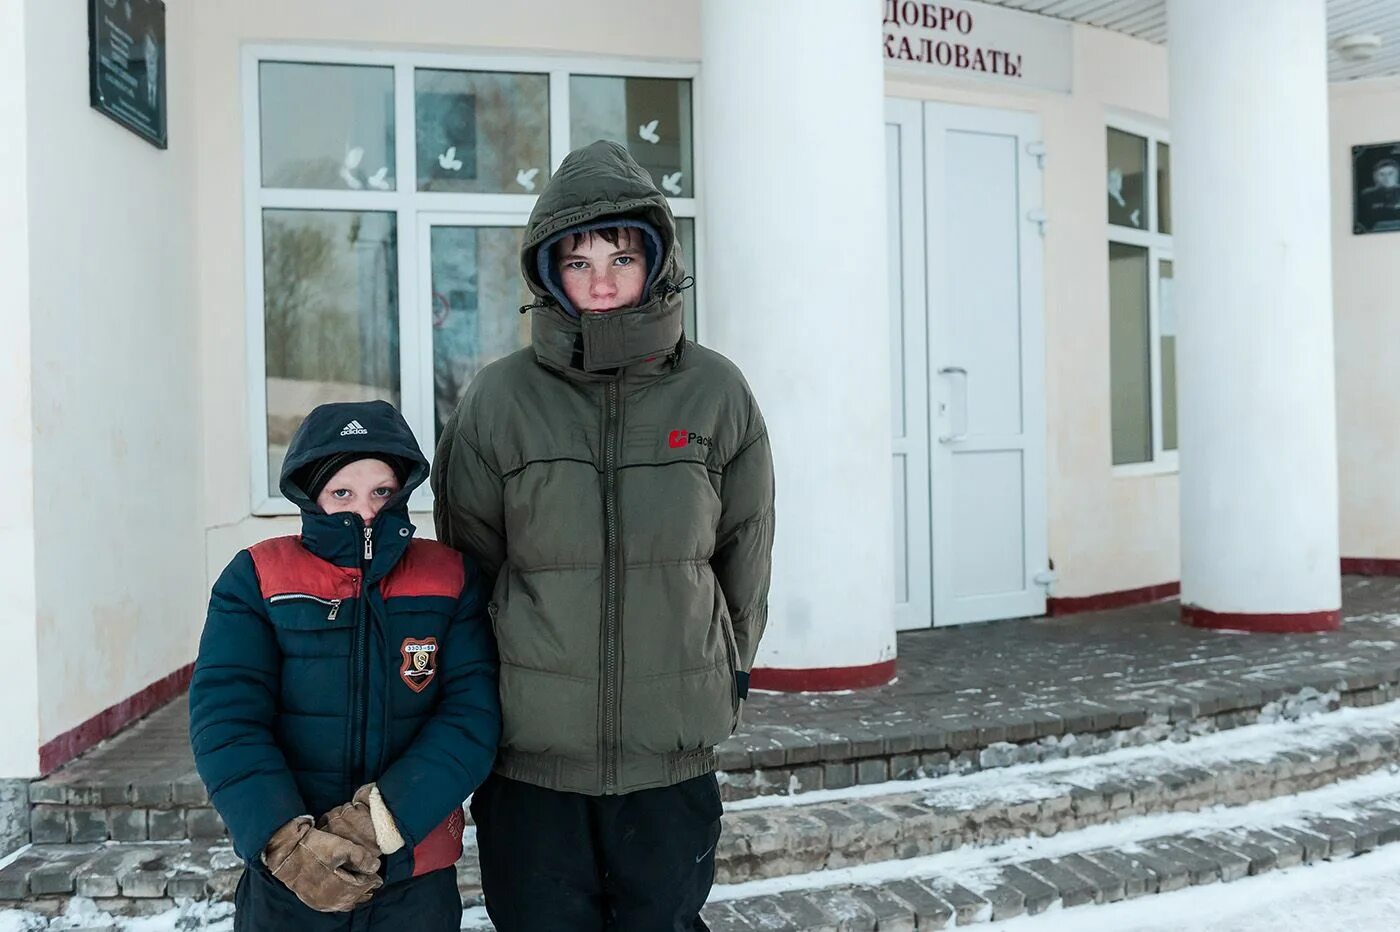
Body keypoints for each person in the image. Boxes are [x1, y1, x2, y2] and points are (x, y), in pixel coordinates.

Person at [432, 139, 775, 931]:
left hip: (669, 754)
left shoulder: (716, 393)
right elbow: (468, 572)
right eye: (578, 261)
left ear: (655, 260)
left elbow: (744, 553)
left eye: (621, 256)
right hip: (533, 762)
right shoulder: (498, 401)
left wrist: (729, 667)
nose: (602, 280)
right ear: (549, 271)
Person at [190, 400, 500, 931]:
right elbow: (227, 719)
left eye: (381, 491)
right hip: (292, 877)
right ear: (312, 495)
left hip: (413, 871)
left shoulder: (450, 577)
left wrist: (378, 823)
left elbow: (472, 715)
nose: (365, 510)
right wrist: (285, 840)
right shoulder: (257, 578)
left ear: (402, 491)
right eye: (343, 493)